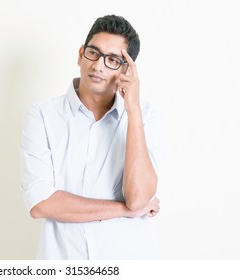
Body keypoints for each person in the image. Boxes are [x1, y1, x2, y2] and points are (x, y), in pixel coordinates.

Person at [20, 15, 162, 259]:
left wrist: (133, 111)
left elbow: (138, 199)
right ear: (80, 55)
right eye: (93, 53)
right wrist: (123, 210)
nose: (98, 66)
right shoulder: (43, 116)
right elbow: (41, 203)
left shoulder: (143, 116)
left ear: (127, 70)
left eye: (113, 60)